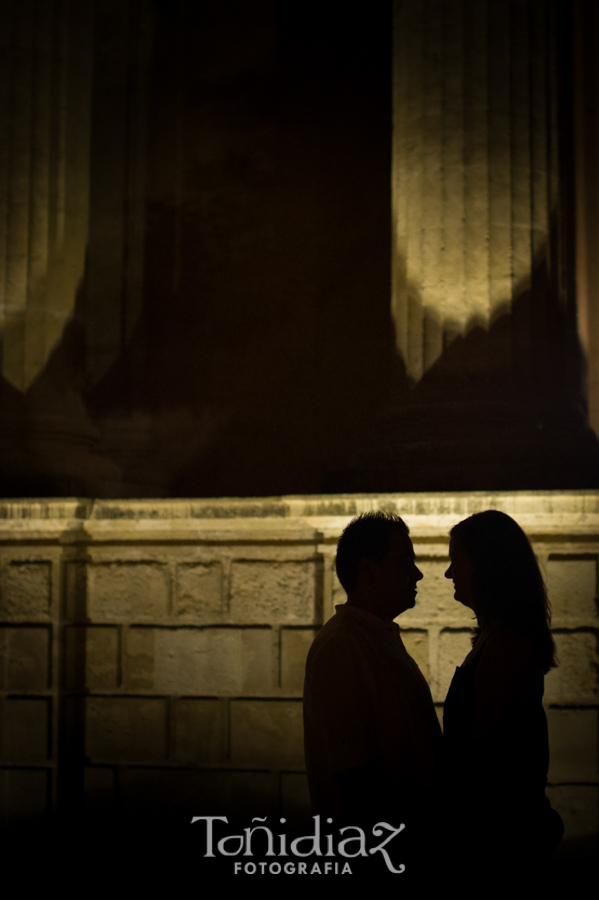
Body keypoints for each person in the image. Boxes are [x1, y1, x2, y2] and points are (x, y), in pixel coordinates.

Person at [303, 511, 443, 834]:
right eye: (405, 562)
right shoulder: (342, 647)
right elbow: (356, 774)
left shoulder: (373, 639)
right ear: (368, 571)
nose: (418, 574)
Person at [443, 509, 563, 877]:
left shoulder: (507, 648)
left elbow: (480, 759)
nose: (449, 573)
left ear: (485, 564)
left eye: (456, 561)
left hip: (498, 847)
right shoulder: (498, 641)